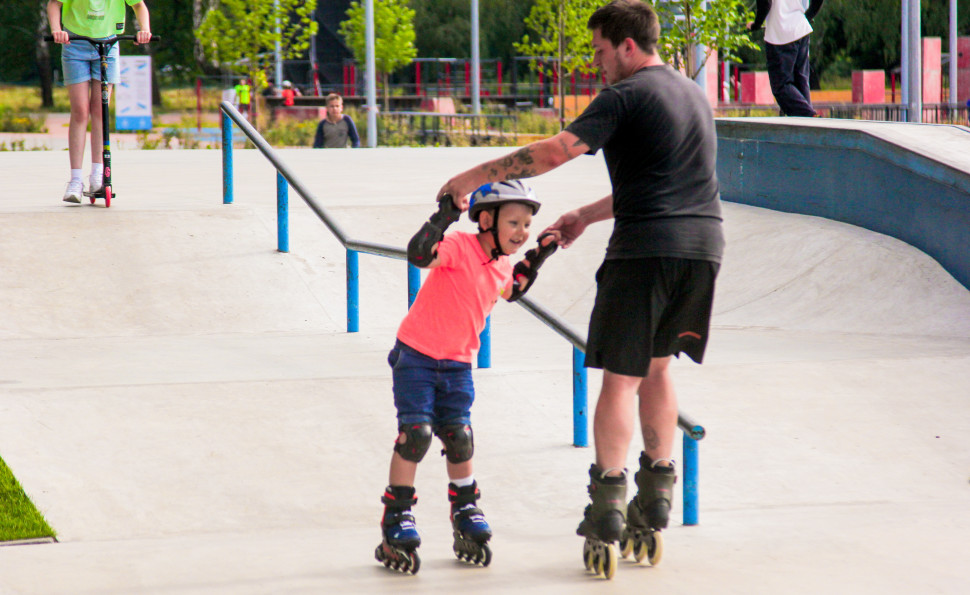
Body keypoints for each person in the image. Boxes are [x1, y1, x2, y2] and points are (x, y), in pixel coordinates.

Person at [437, 0, 723, 573]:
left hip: (644, 251)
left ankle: (609, 508)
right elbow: (659, 184)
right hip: (703, 247)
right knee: (659, 367)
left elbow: (549, 154)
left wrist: (469, 177)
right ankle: (656, 495)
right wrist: (587, 217)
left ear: (626, 44)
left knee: (620, 381)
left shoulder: (626, 95)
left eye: (598, 50)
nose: (596, 64)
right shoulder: (691, 94)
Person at [375, 181, 558, 574]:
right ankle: (397, 517)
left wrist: (539, 254)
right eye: (514, 222)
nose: (522, 231)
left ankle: (466, 507)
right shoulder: (459, 244)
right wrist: (444, 216)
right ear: (487, 220)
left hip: (458, 364)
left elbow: (514, 289)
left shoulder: (503, 263)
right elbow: (419, 255)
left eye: (527, 223)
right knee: (417, 434)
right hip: (417, 356)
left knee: (460, 436)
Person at [48, 0, 151, 203]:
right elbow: (54, 4)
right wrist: (56, 30)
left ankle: (97, 175)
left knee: (100, 110)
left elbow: (139, 5)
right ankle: (75, 180)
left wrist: (144, 30)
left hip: (108, 44)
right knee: (80, 110)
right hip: (74, 42)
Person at [749, 0, 825, 117]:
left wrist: (756, 24)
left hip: (780, 33)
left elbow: (765, 4)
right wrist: (808, 16)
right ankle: (808, 127)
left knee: (781, 86)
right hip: (801, 28)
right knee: (801, 81)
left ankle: (810, 116)